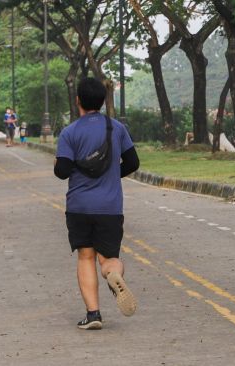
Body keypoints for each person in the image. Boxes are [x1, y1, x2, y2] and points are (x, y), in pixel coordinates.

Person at [54, 77, 140, 329]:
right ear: (103, 101)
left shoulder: (70, 132)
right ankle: (113, 274)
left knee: (85, 256)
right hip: (110, 206)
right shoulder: (116, 128)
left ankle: (93, 315)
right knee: (108, 258)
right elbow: (133, 163)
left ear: (78, 100)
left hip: (79, 205)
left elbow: (62, 171)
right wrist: (112, 174)